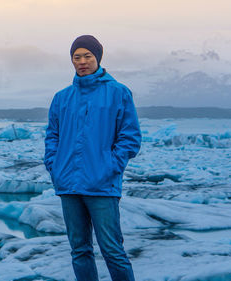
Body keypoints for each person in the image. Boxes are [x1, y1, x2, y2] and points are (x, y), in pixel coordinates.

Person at [44, 35, 141, 281]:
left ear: (98, 57)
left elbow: (130, 137)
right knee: (79, 250)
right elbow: (52, 135)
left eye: (88, 56)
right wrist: (54, 166)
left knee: (112, 250)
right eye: (77, 57)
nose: (82, 61)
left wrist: (111, 166)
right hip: (68, 184)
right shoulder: (62, 97)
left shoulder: (118, 92)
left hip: (102, 185)